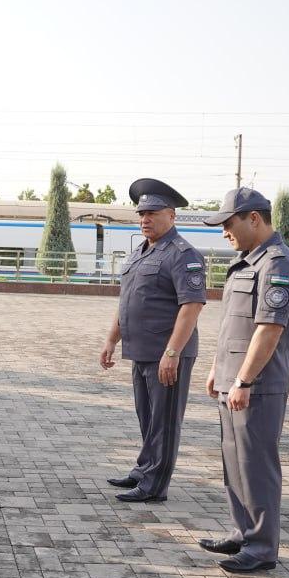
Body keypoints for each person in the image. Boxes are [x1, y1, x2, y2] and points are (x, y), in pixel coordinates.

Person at [200, 188, 289, 573]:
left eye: (229, 224)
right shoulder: (246, 262)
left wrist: (244, 380)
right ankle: (243, 531)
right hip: (234, 380)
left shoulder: (277, 264)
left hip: (257, 384)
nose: (225, 232)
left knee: (256, 463)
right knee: (234, 462)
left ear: (254, 219)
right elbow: (234, 328)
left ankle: (262, 548)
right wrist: (217, 368)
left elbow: (268, 330)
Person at [99, 178, 206, 504]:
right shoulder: (139, 253)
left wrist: (173, 352)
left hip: (167, 354)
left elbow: (192, 306)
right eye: (141, 213)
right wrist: (111, 341)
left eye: (152, 212)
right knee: (147, 416)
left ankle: (154, 485)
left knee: (165, 420)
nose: (144, 218)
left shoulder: (183, 255)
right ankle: (145, 468)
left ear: (171, 215)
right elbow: (126, 302)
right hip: (141, 352)